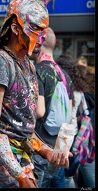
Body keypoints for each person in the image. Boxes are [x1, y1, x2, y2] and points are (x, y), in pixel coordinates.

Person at [0, 0, 72, 188]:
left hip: (18, 161)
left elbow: (21, 126)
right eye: (36, 29)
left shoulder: (28, 66)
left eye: (44, 31)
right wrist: (19, 174)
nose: (42, 37)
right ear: (15, 28)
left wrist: (48, 152)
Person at [32, 27, 74, 188]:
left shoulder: (37, 71)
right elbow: (69, 116)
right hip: (58, 150)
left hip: (40, 149)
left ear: (38, 43)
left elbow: (39, 111)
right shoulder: (64, 75)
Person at [56, 54, 86, 188]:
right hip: (72, 132)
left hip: (60, 132)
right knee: (66, 172)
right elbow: (82, 113)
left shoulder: (62, 87)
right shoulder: (78, 89)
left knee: (59, 171)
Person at [76, 64, 95, 188]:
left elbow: (81, 118)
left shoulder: (83, 97)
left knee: (89, 180)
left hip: (87, 145)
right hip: (90, 144)